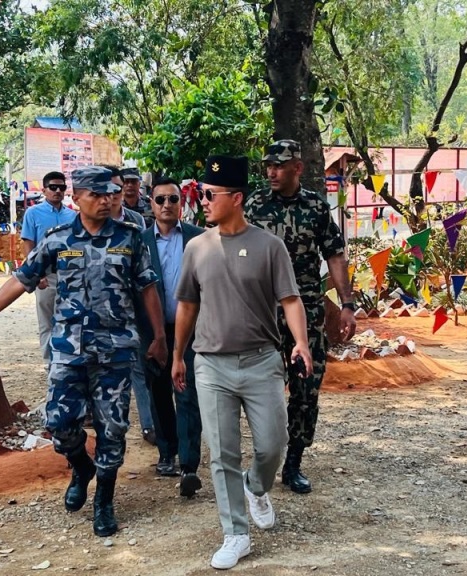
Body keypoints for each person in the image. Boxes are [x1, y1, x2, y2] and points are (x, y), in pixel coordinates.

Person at [0, 166, 168, 538]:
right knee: (60, 424)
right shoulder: (57, 239)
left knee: (113, 427)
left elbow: (148, 287)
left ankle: (104, 499)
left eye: (110, 193)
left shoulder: (130, 237)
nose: (106, 200)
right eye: (96, 194)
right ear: (77, 197)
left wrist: (160, 336)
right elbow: (20, 280)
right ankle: (81, 466)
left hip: (116, 349)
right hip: (69, 349)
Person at [173, 155, 313, 570]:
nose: (203, 202)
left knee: (273, 443)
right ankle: (236, 533)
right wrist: (178, 355)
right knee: (222, 454)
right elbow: (186, 305)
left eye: (210, 195)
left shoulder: (270, 246)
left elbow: (290, 299)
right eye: (202, 194)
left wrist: (301, 343)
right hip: (211, 364)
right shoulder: (197, 248)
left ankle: (256, 486)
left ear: (236, 198)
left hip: (261, 361)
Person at [244, 139, 357, 495]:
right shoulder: (254, 206)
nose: (271, 172)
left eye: (279, 165)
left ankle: (293, 461)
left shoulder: (316, 207)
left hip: (306, 310)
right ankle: (265, 456)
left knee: (306, 388)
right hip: (262, 312)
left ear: (298, 168)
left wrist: (347, 304)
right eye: (268, 165)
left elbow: (334, 255)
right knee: (261, 388)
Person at [140, 177, 205, 492]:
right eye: (160, 199)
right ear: (151, 204)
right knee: (158, 392)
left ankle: (189, 463)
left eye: (173, 199)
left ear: (182, 203)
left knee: (188, 392)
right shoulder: (139, 241)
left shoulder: (199, 238)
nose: (167, 205)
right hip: (152, 332)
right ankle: (167, 452)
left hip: (191, 331)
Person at [102, 164, 156, 445]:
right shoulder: (79, 226)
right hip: (98, 319)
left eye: (117, 188)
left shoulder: (136, 222)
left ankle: (149, 424)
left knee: (140, 368)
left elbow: (144, 269)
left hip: (133, 307)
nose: (112, 194)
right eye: (106, 189)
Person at [21, 171, 77, 365]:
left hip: (70, 274)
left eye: (61, 187)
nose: (57, 191)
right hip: (45, 274)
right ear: (44, 190)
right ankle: (49, 363)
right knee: (46, 321)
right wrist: (36, 275)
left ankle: (67, 360)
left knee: (70, 318)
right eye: (53, 187)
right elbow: (28, 243)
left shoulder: (73, 215)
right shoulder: (33, 213)